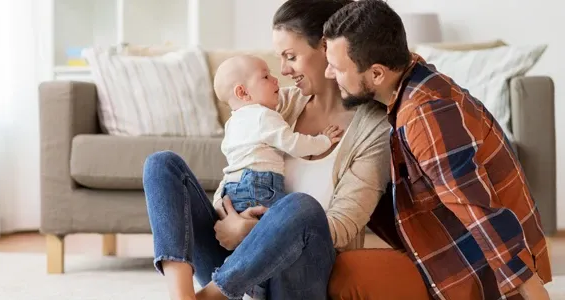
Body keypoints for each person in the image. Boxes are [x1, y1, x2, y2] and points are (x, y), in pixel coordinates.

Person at [141, 0, 391, 299]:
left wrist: (252, 232)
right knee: (162, 164)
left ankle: (213, 295)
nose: (283, 71)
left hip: (300, 278)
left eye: (291, 56)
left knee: (301, 206)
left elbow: (341, 227)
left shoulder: (374, 129)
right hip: (238, 262)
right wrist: (227, 213)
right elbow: (238, 171)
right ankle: (182, 295)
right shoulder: (277, 102)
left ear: (328, 49)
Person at [321, 1, 553, 299]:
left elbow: (477, 210)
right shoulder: (411, 79)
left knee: (347, 276)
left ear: (377, 74)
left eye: (337, 68)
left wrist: (530, 289)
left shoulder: (424, 115)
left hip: (476, 269)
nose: (329, 74)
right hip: (450, 249)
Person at [213, 54, 343, 213]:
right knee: (292, 217)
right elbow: (294, 144)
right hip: (258, 187)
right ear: (243, 92)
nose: (275, 79)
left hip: (231, 189)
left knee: (248, 234)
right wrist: (324, 141)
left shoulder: (232, 124)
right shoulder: (263, 115)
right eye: (265, 76)